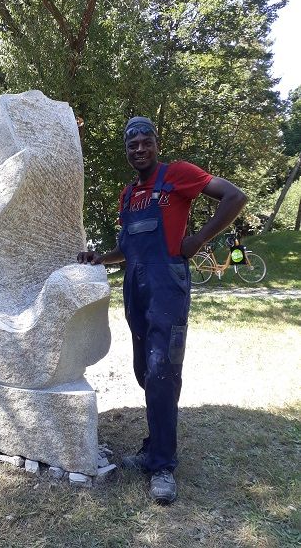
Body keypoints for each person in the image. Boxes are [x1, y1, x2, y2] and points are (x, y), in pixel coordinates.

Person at [77, 116, 247, 504]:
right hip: (135, 288)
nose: (139, 148)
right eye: (132, 144)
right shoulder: (128, 195)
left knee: (162, 371)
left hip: (167, 286)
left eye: (146, 141)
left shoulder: (178, 175)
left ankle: (163, 465)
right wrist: (99, 257)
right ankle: (154, 446)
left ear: (156, 144)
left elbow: (235, 196)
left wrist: (197, 240)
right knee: (145, 370)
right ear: (127, 150)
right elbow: (127, 248)